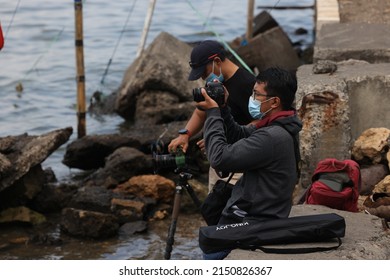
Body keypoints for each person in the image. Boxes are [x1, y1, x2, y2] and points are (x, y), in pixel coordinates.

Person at [197, 67, 302, 260]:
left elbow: (219, 158)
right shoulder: (282, 125)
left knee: (208, 247)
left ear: (275, 101)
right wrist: (222, 109)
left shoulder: (272, 137)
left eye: (256, 94)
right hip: (263, 215)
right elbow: (238, 136)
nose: (252, 98)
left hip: (254, 222)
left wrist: (212, 113)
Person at [168, 40, 256, 190]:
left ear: (216, 61)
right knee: (213, 207)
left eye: (204, 73)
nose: (203, 78)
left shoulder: (247, 84)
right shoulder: (214, 84)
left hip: (239, 165)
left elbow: (261, 123)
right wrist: (185, 134)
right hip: (218, 160)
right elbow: (201, 111)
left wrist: (218, 137)